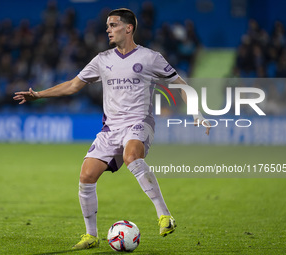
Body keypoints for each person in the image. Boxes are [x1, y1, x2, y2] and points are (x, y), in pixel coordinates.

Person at [13, 8, 210, 250]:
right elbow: (74, 85)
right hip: (111, 128)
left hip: (139, 123)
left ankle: (165, 216)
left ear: (128, 28)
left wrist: (196, 113)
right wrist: (39, 95)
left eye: (113, 25)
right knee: (86, 175)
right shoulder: (102, 60)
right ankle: (91, 236)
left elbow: (182, 85)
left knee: (131, 157)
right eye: (107, 25)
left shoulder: (150, 58)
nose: (108, 29)